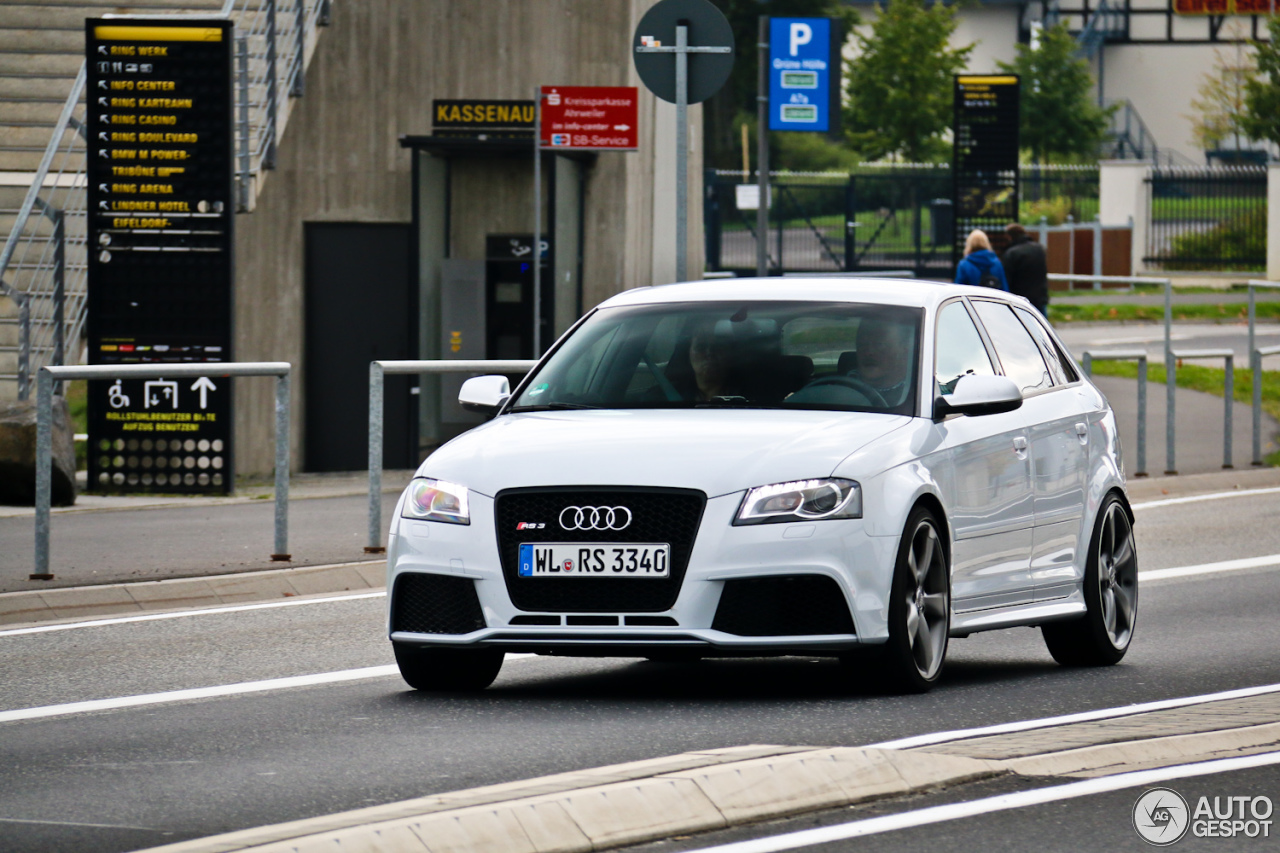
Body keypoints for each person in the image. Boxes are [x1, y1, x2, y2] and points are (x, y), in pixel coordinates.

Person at [1002, 222, 1049, 316]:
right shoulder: (1039, 249)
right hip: (1040, 297)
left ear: (1010, 236)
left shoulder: (1012, 253)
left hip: (1021, 300)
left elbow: (1007, 278)